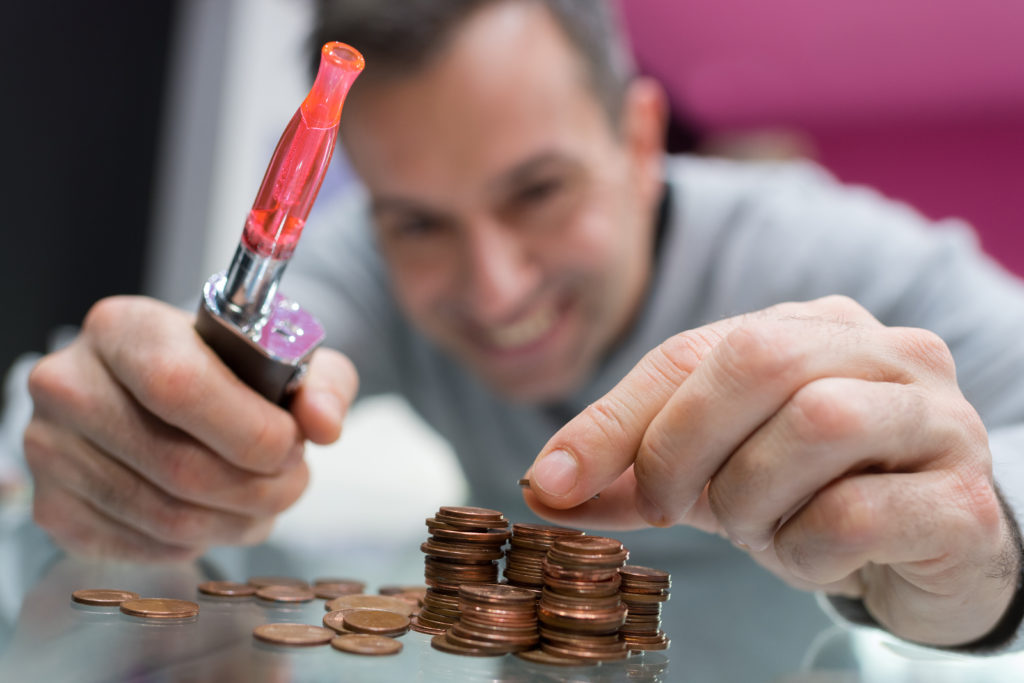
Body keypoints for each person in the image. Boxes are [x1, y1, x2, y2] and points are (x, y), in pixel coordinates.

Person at [17, 0, 1024, 651]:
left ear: (637, 139)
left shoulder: (843, 257)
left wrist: (994, 557)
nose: (495, 289)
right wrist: (120, 434)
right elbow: (181, 372)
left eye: (538, 190)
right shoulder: (365, 267)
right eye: (417, 222)